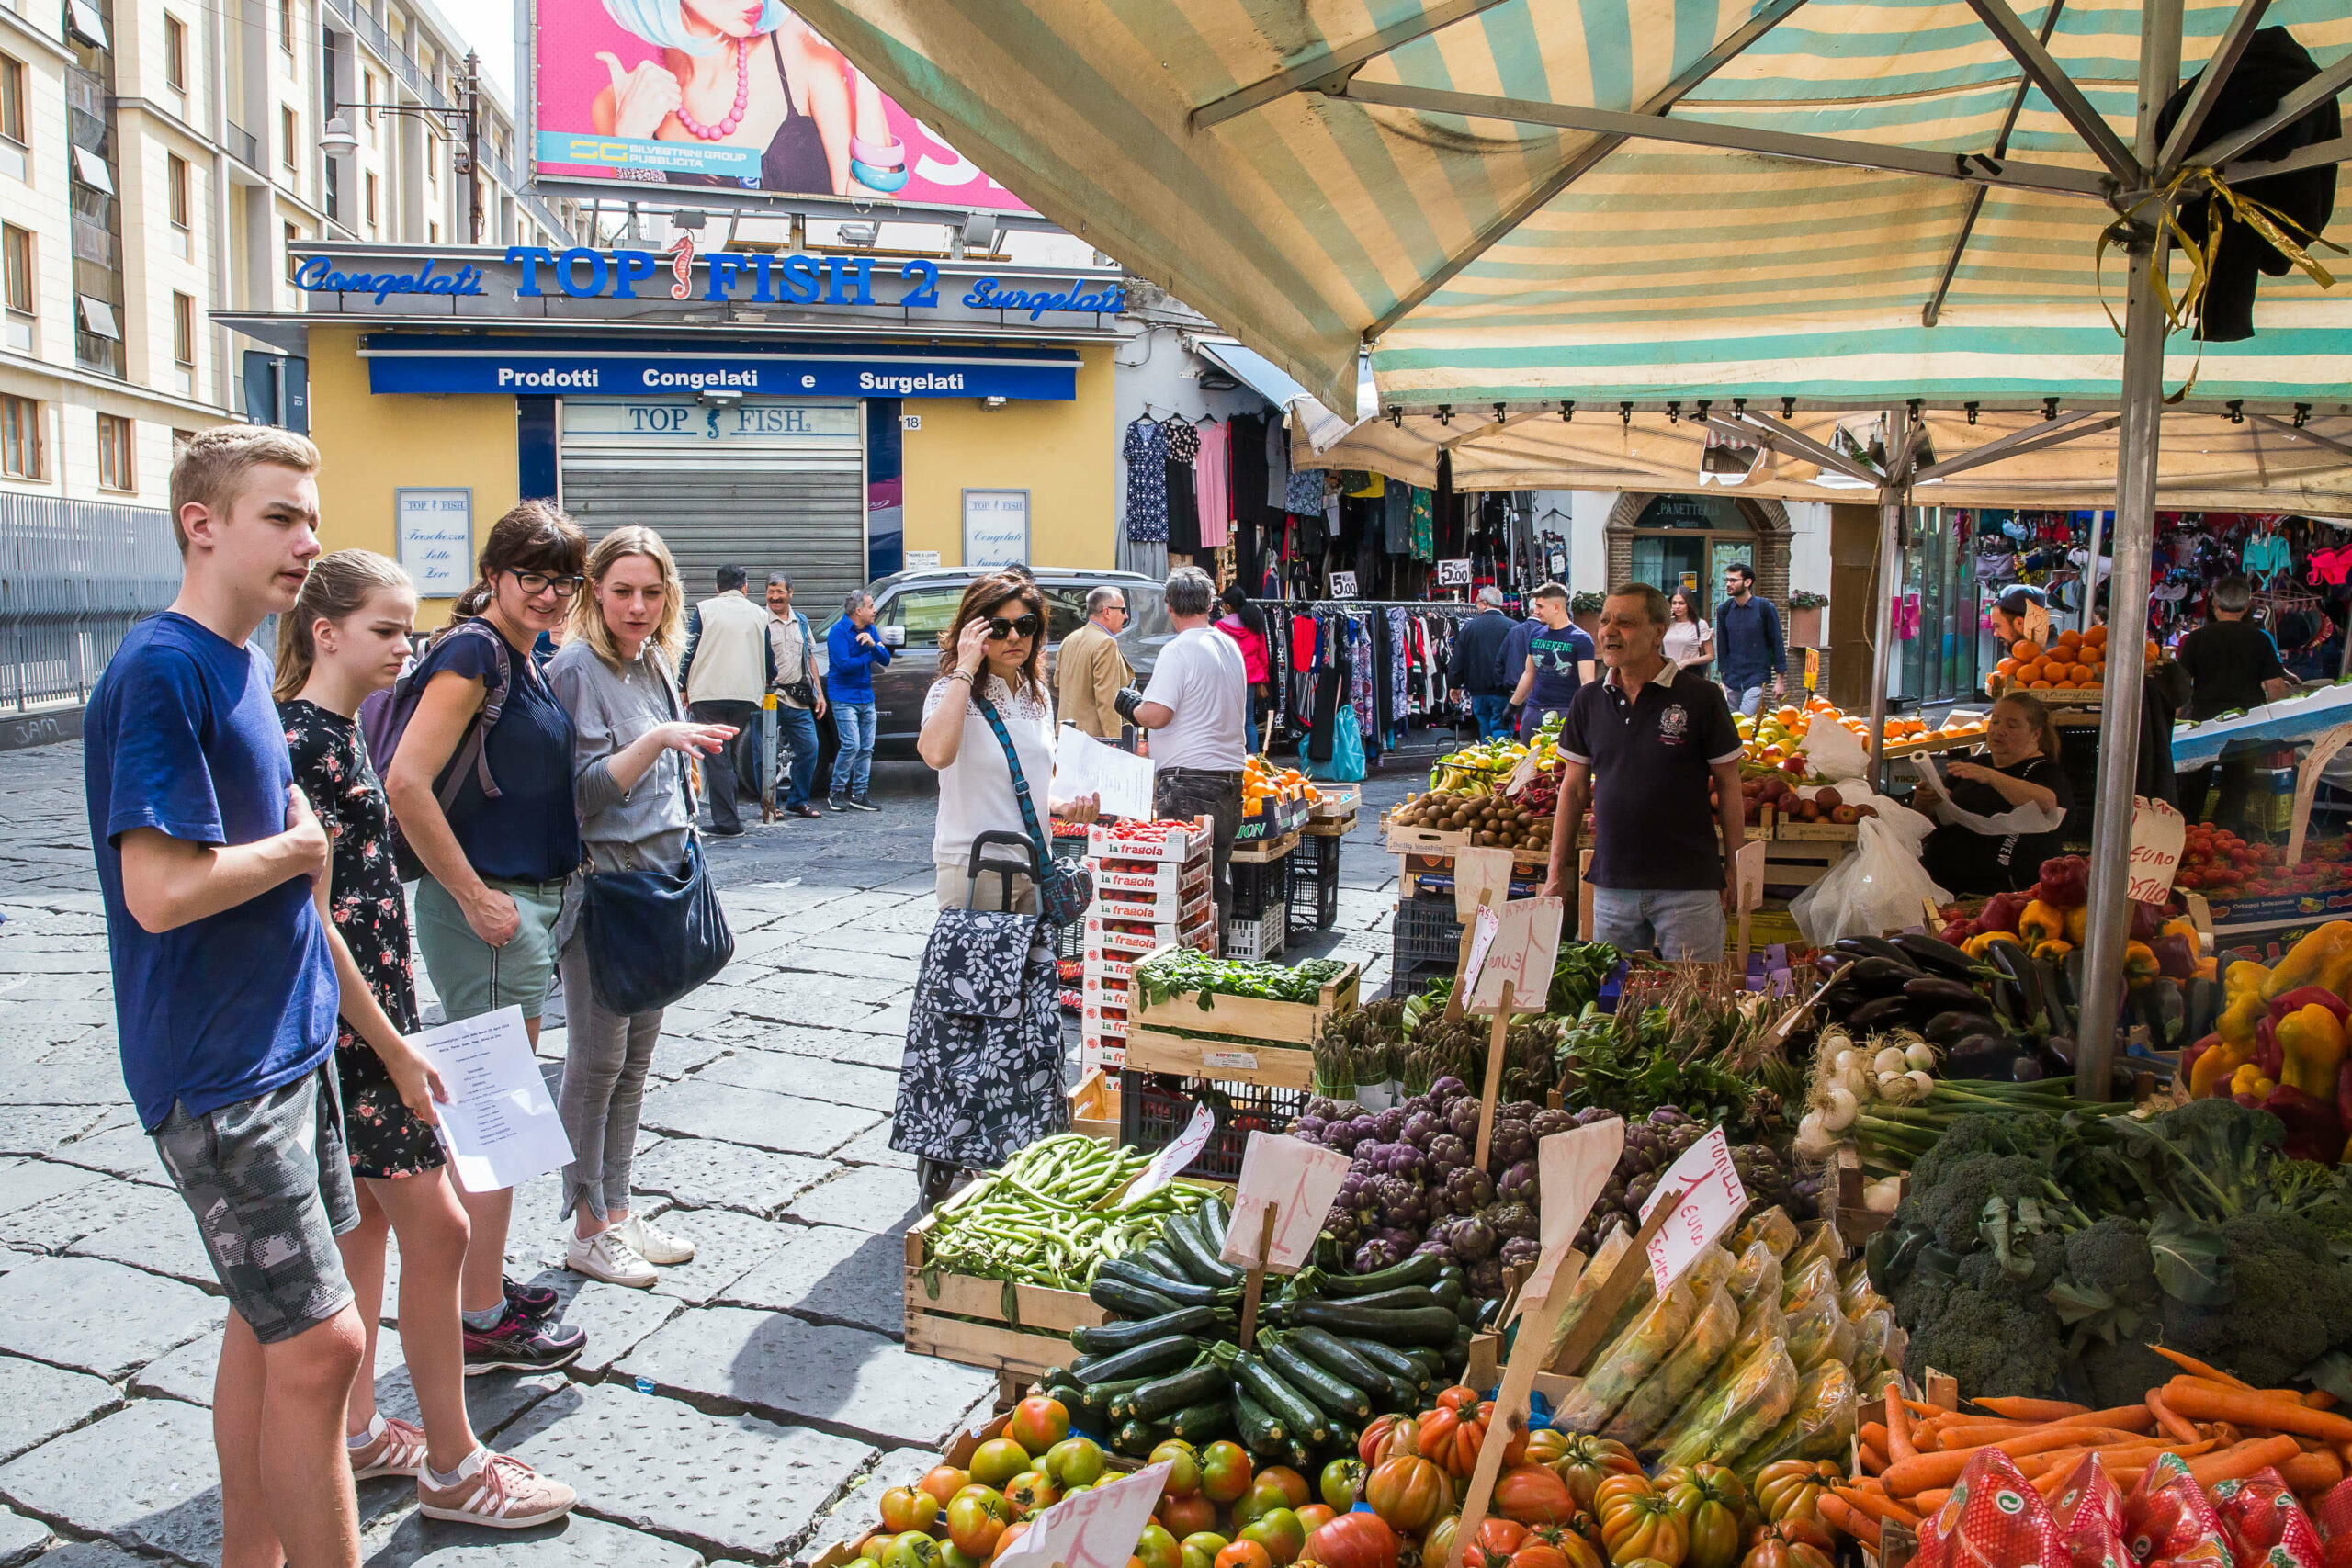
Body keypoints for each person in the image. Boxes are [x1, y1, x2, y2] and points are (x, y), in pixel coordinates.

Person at [85, 426, 366, 1568]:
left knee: (275, 1341)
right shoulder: (162, 670)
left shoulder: (244, 660)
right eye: (281, 518)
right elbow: (156, 892)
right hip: (221, 1070)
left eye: (311, 516)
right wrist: (301, 846)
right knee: (324, 1350)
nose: (309, 541)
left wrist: (379, 1041)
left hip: (283, 1043)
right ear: (202, 525)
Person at [275, 550, 577, 1528]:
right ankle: (452, 1466)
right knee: (438, 1226)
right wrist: (397, 1046)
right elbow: (314, 920)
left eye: (408, 629)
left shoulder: (333, 729)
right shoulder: (306, 746)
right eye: (387, 631)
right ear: (327, 633)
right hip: (360, 1023)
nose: (407, 648)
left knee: (364, 1231)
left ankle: (361, 1433)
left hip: (370, 1010)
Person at [382, 502, 590, 1377]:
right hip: (492, 913)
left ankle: (484, 1285)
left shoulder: (517, 656)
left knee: (502, 1111)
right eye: (530, 575)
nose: (547, 593)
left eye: (561, 579)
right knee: (499, 1117)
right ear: (495, 573)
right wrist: (472, 896)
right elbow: (406, 781)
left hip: (515, 908)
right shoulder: (474, 651)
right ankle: (478, 1318)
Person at [548, 528, 737, 1289]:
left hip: (660, 877)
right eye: (623, 589)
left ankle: (617, 1210)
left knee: (636, 1059)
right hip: (606, 887)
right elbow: (584, 790)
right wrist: (659, 737)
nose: (637, 604)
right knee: (594, 1061)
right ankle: (584, 1225)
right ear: (595, 589)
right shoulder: (574, 668)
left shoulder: (657, 657)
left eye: (651, 592)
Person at [1539, 583, 1747, 963]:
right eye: (1605, 620)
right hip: (1612, 885)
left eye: (1626, 622)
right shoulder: (1587, 700)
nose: (1609, 631)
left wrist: (1735, 868)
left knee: (1692, 1006)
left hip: (1689, 887)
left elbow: (1730, 786)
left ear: (1658, 631)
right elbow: (1572, 790)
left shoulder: (1702, 698)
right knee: (1612, 1007)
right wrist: (1555, 872)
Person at [917, 570, 1102, 912]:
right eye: (999, 628)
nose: (1014, 636)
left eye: (1025, 625)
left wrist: (1062, 805)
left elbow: (1035, 779)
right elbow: (936, 755)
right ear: (975, 633)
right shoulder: (951, 692)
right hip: (976, 867)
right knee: (977, 967)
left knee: (1034, 967)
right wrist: (966, 667)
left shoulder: (1039, 697)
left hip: (1035, 867)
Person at [591, 0, 899, 197]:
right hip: (704, 299)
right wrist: (633, 142)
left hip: (817, 292)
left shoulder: (798, 44)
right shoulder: (620, 104)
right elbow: (655, 256)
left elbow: (872, 216)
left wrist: (865, 71)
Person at [1122, 567, 1250, 926]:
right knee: (1214, 875)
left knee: (1184, 881)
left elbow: (1158, 714)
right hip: (1228, 777)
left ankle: (1186, 960)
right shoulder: (1229, 646)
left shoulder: (1178, 651)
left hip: (1188, 783)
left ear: (1169, 606)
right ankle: (1213, 954)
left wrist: (1132, 706)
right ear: (1211, 603)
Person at [1914, 692, 2074, 895]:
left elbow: (2048, 801)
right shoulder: (1971, 765)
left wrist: (1992, 776)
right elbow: (1928, 818)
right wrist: (1925, 802)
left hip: (2000, 895)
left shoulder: (2045, 772)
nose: (1999, 731)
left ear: (2036, 733)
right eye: (1995, 721)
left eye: (2012, 725)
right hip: (1941, 887)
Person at [2176, 573, 2294, 829]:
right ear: (2247, 607)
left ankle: (2186, 842)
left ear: (2215, 605)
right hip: (2245, 725)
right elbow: (2275, 687)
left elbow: (2181, 686)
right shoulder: (2260, 640)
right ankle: (2224, 845)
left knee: (2193, 789)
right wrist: (2280, 724)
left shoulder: (2196, 639)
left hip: (2203, 724)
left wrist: (2174, 720)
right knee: (2235, 791)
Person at [679, 564, 769, 838]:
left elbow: (689, 650)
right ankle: (728, 818)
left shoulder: (705, 609)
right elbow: (769, 658)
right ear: (745, 586)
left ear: (718, 587)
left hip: (708, 694)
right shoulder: (759, 614)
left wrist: (682, 685)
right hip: (746, 696)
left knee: (717, 758)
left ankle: (728, 823)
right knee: (725, 755)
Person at [763, 571, 827, 819]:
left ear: (791, 593)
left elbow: (810, 658)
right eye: (770, 592)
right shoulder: (760, 621)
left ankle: (798, 801)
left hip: (797, 697)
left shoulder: (801, 620)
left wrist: (818, 694)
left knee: (810, 748)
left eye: (780, 592)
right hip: (769, 697)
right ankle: (770, 804)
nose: (775, 597)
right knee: (764, 752)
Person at [825, 587, 892, 811]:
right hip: (844, 697)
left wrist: (874, 646)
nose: (874, 610)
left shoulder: (871, 630)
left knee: (867, 748)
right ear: (858, 610)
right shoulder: (838, 632)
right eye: (871, 606)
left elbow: (885, 659)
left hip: (866, 696)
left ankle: (859, 794)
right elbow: (844, 666)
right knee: (851, 745)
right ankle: (836, 791)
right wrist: (868, 655)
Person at [1507, 582, 1596, 740]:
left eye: (1540, 606)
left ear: (1556, 607)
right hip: (1535, 709)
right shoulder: (1536, 634)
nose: (1536, 612)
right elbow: (1529, 673)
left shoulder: (1581, 639)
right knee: (1529, 760)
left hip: (1567, 710)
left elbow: (1587, 681)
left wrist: (1587, 713)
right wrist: (1512, 705)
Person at [1054, 585, 1131, 742]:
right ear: (1107, 612)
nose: (1126, 616)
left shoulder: (1070, 639)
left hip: (1066, 736)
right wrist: (1116, 742)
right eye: (1122, 610)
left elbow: (1057, 684)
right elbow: (1108, 701)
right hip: (1093, 741)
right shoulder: (1105, 643)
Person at [1714, 563, 1785, 716]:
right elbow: (1722, 645)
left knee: (1745, 719)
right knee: (1730, 723)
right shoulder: (1724, 610)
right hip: (1731, 678)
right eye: (1727, 580)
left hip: (1756, 677)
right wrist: (1723, 673)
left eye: (1733, 580)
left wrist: (1780, 680)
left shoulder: (1765, 608)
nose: (1728, 584)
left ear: (1747, 582)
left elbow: (1777, 643)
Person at [1448, 585, 1518, 738]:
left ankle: (1487, 756)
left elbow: (1458, 658)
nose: (1476, 607)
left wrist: (1454, 684)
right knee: (1502, 730)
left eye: (1477, 603)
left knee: (1485, 728)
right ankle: (1500, 758)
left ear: (1485, 603)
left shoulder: (1469, 627)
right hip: (1504, 689)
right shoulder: (1513, 627)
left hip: (1478, 689)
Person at [1215, 584, 1273, 752]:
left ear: (1228, 606)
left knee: (1228, 720)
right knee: (1249, 720)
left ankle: (1231, 755)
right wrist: (1264, 679)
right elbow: (1263, 656)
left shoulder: (1219, 628)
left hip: (1228, 679)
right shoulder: (1254, 625)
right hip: (1249, 680)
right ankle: (1254, 757)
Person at [1664, 588, 1713, 671]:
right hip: (1668, 672)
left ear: (1689, 604)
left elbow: (1710, 656)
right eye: (1674, 603)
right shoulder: (1667, 623)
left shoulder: (1700, 624)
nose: (1677, 607)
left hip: (1690, 672)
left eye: (1681, 603)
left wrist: (1686, 662)